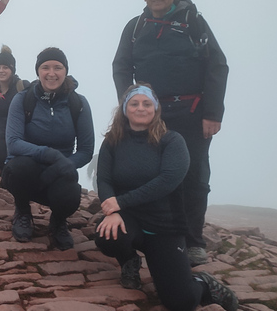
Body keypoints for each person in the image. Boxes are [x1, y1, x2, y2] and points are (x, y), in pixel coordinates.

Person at [112, 0, 229, 266]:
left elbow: (217, 65)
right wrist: (129, 104)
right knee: (149, 173)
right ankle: (154, 234)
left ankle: (193, 241)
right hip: (150, 114)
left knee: (194, 176)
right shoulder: (136, 27)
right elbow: (121, 66)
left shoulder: (193, 22)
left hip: (192, 113)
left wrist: (213, 113)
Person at [95, 84, 238, 311]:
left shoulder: (172, 141)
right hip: (130, 219)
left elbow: (167, 182)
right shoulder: (112, 141)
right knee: (107, 235)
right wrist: (112, 212)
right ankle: (129, 261)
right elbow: (104, 179)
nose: (140, 108)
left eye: (147, 103)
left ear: (156, 108)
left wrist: (120, 203)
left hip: (163, 226)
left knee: (180, 302)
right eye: (134, 103)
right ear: (124, 108)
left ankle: (204, 284)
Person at [2, 47, 94, 250]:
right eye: (45, 67)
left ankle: (59, 221)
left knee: (71, 195)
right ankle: (23, 211)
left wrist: (64, 165)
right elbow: (13, 142)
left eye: (57, 67)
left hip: (60, 172)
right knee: (19, 168)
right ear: (38, 71)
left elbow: (86, 149)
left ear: (65, 71)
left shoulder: (77, 103)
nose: (51, 73)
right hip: (28, 169)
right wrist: (49, 154)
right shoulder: (23, 99)